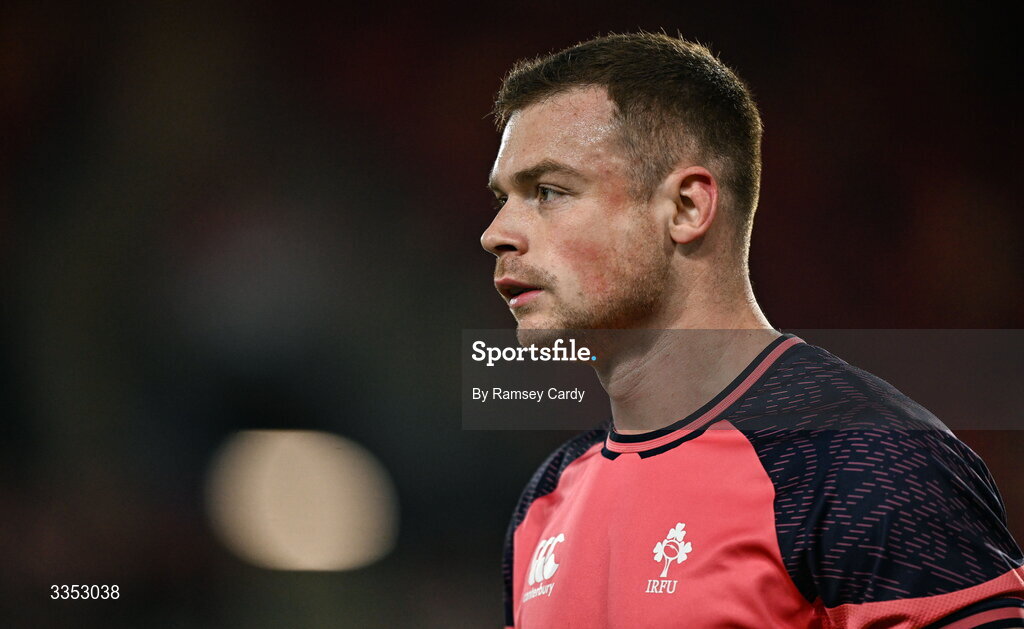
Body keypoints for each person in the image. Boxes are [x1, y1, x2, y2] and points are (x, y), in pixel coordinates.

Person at [481, 33, 1024, 628]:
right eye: (504, 197)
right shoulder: (547, 498)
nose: (496, 233)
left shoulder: (864, 457)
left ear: (687, 208)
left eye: (548, 192)